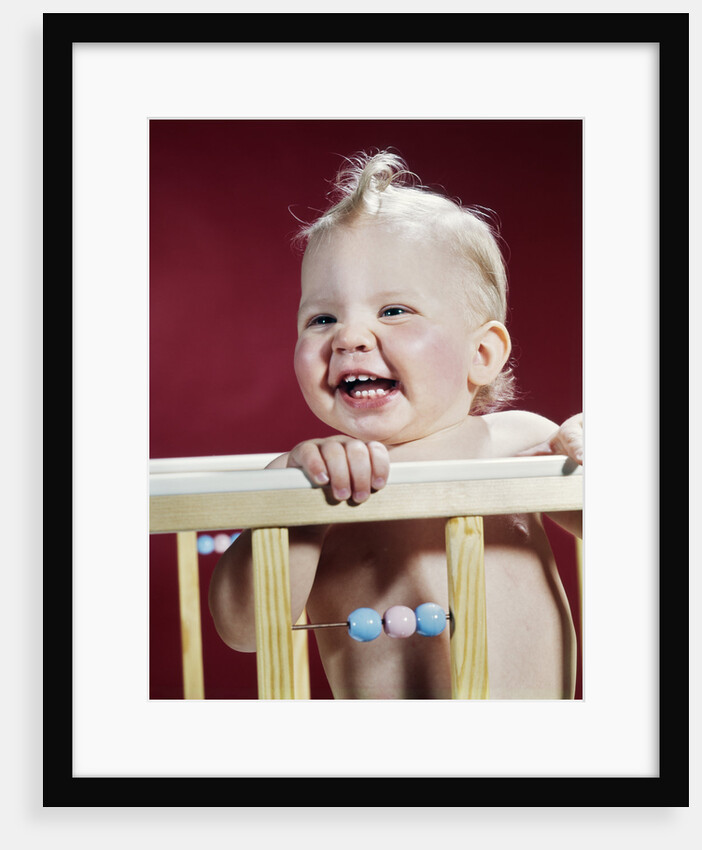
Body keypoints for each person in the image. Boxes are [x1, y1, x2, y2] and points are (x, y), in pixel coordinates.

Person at [208, 150, 583, 699]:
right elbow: (243, 632)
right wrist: (303, 513)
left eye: (393, 311)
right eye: (322, 318)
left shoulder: (521, 441)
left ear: (481, 352)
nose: (349, 337)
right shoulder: (306, 477)